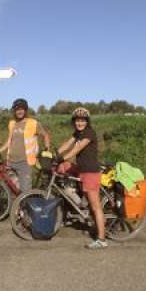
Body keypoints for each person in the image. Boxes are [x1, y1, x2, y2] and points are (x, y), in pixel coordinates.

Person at [56, 107, 108, 249]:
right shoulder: (77, 133)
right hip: (82, 170)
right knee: (63, 168)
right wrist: (54, 153)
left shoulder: (89, 133)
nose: (80, 123)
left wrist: (62, 157)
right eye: (77, 120)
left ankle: (102, 239)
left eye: (82, 120)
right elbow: (68, 143)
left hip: (90, 172)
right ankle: (73, 204)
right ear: (74, 122)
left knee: (95, 206)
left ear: (87, 121)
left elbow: (76, 149)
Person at [0, 98, 51, 193]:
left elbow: (45, 135)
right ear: (14, 111)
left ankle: (25, 207)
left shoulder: (33, 123)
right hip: (10, 162)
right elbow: (9, 141)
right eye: (17, 109)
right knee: (13, 190)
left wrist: (47, 151)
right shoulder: (12, 124)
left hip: (25, 163)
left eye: (22, 109)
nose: (19, 111)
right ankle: (15, 207)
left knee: (25, 192)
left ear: (25, 110)